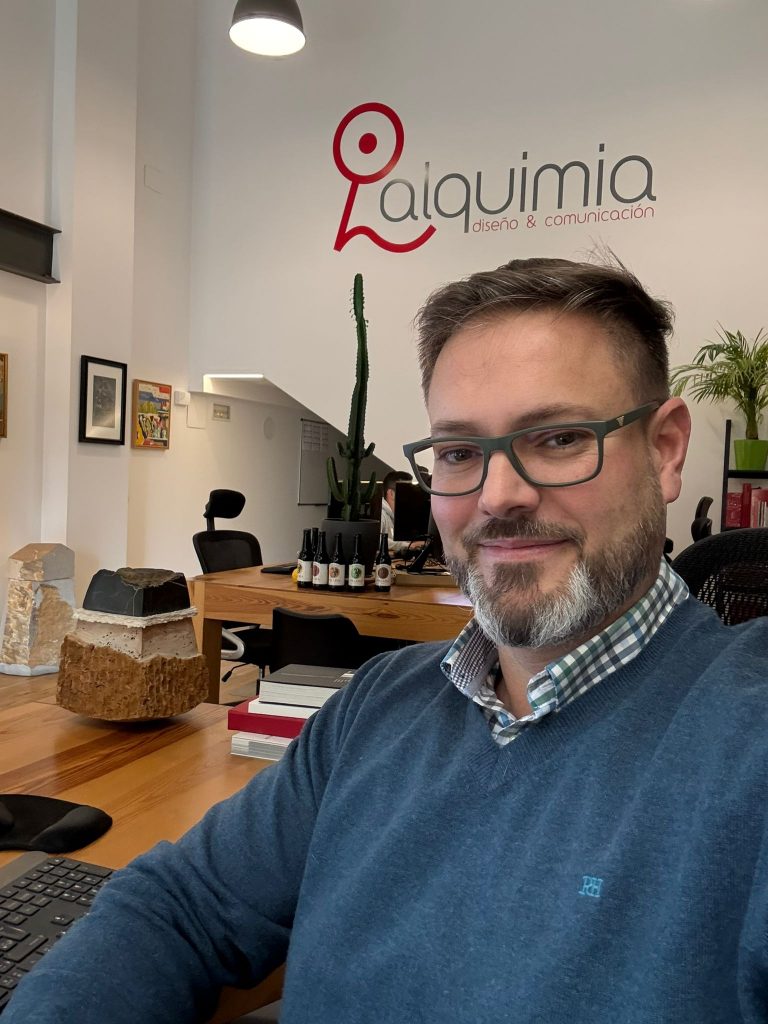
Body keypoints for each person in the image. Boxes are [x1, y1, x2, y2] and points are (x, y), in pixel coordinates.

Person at [7, 257, 768, 1024]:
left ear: (665, 450)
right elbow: (182, 907)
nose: (499, 495)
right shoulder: (377, 705)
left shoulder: (745, 745)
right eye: (459, 453)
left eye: (560, 438)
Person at [379, 469, 418, 557]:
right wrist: (408, 545)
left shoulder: (402, 515)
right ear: (391, 493)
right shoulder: (380, 514)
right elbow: (377, 540)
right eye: (406, 490)